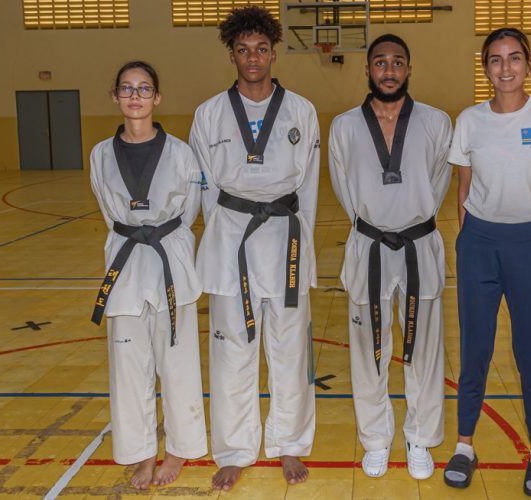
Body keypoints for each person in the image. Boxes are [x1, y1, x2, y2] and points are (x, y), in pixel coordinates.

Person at [189, 6, 320, 491]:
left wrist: (304, 249)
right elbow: (204, 189)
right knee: (232, 356)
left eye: (261, 49)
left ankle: (289, 444)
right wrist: (215, 244)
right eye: (243, 50)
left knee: (289, 351)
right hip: (231, 245)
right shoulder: (209, 113)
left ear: (273, 52)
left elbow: (307, 189)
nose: (252, 58)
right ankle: (234, 449)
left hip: (285, 239)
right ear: (231, 53)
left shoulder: (301, 111)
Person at [443, 27, 531, 497]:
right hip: (478, 242)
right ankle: (465, 445)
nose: (505, 68)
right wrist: (469, 236)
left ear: (528, 64)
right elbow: (462, 185)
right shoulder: (470, 121)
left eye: (514, 58)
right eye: (495, 60)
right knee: (475, 350)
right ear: (485, 69)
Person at [329, 34, 452, 481]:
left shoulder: (437, 122)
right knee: (368, 351)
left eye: (397, 62)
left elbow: (439, 182)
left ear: (409, 69)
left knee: (424, 350)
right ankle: (377, 440)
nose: (389, 70)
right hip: (369, 245)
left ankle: (419, 437)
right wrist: (375, 224)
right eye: (380, 62)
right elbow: (343, 187)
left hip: (420, 244)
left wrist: (411, 220)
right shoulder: (343, 126)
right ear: (367, 70)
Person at [89, 61, 208, 490]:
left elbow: (190, 209)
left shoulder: (181, 152)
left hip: (168, 257)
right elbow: (107, 207)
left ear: (157, 97)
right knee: (128, 365)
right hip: (124, 260)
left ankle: (179, 448)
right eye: (127, 88)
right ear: (115, 96)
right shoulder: (100, 154)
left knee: (177, 363)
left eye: (144, 89)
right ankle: (141, 453)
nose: (135, 96)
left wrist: (159, 234)